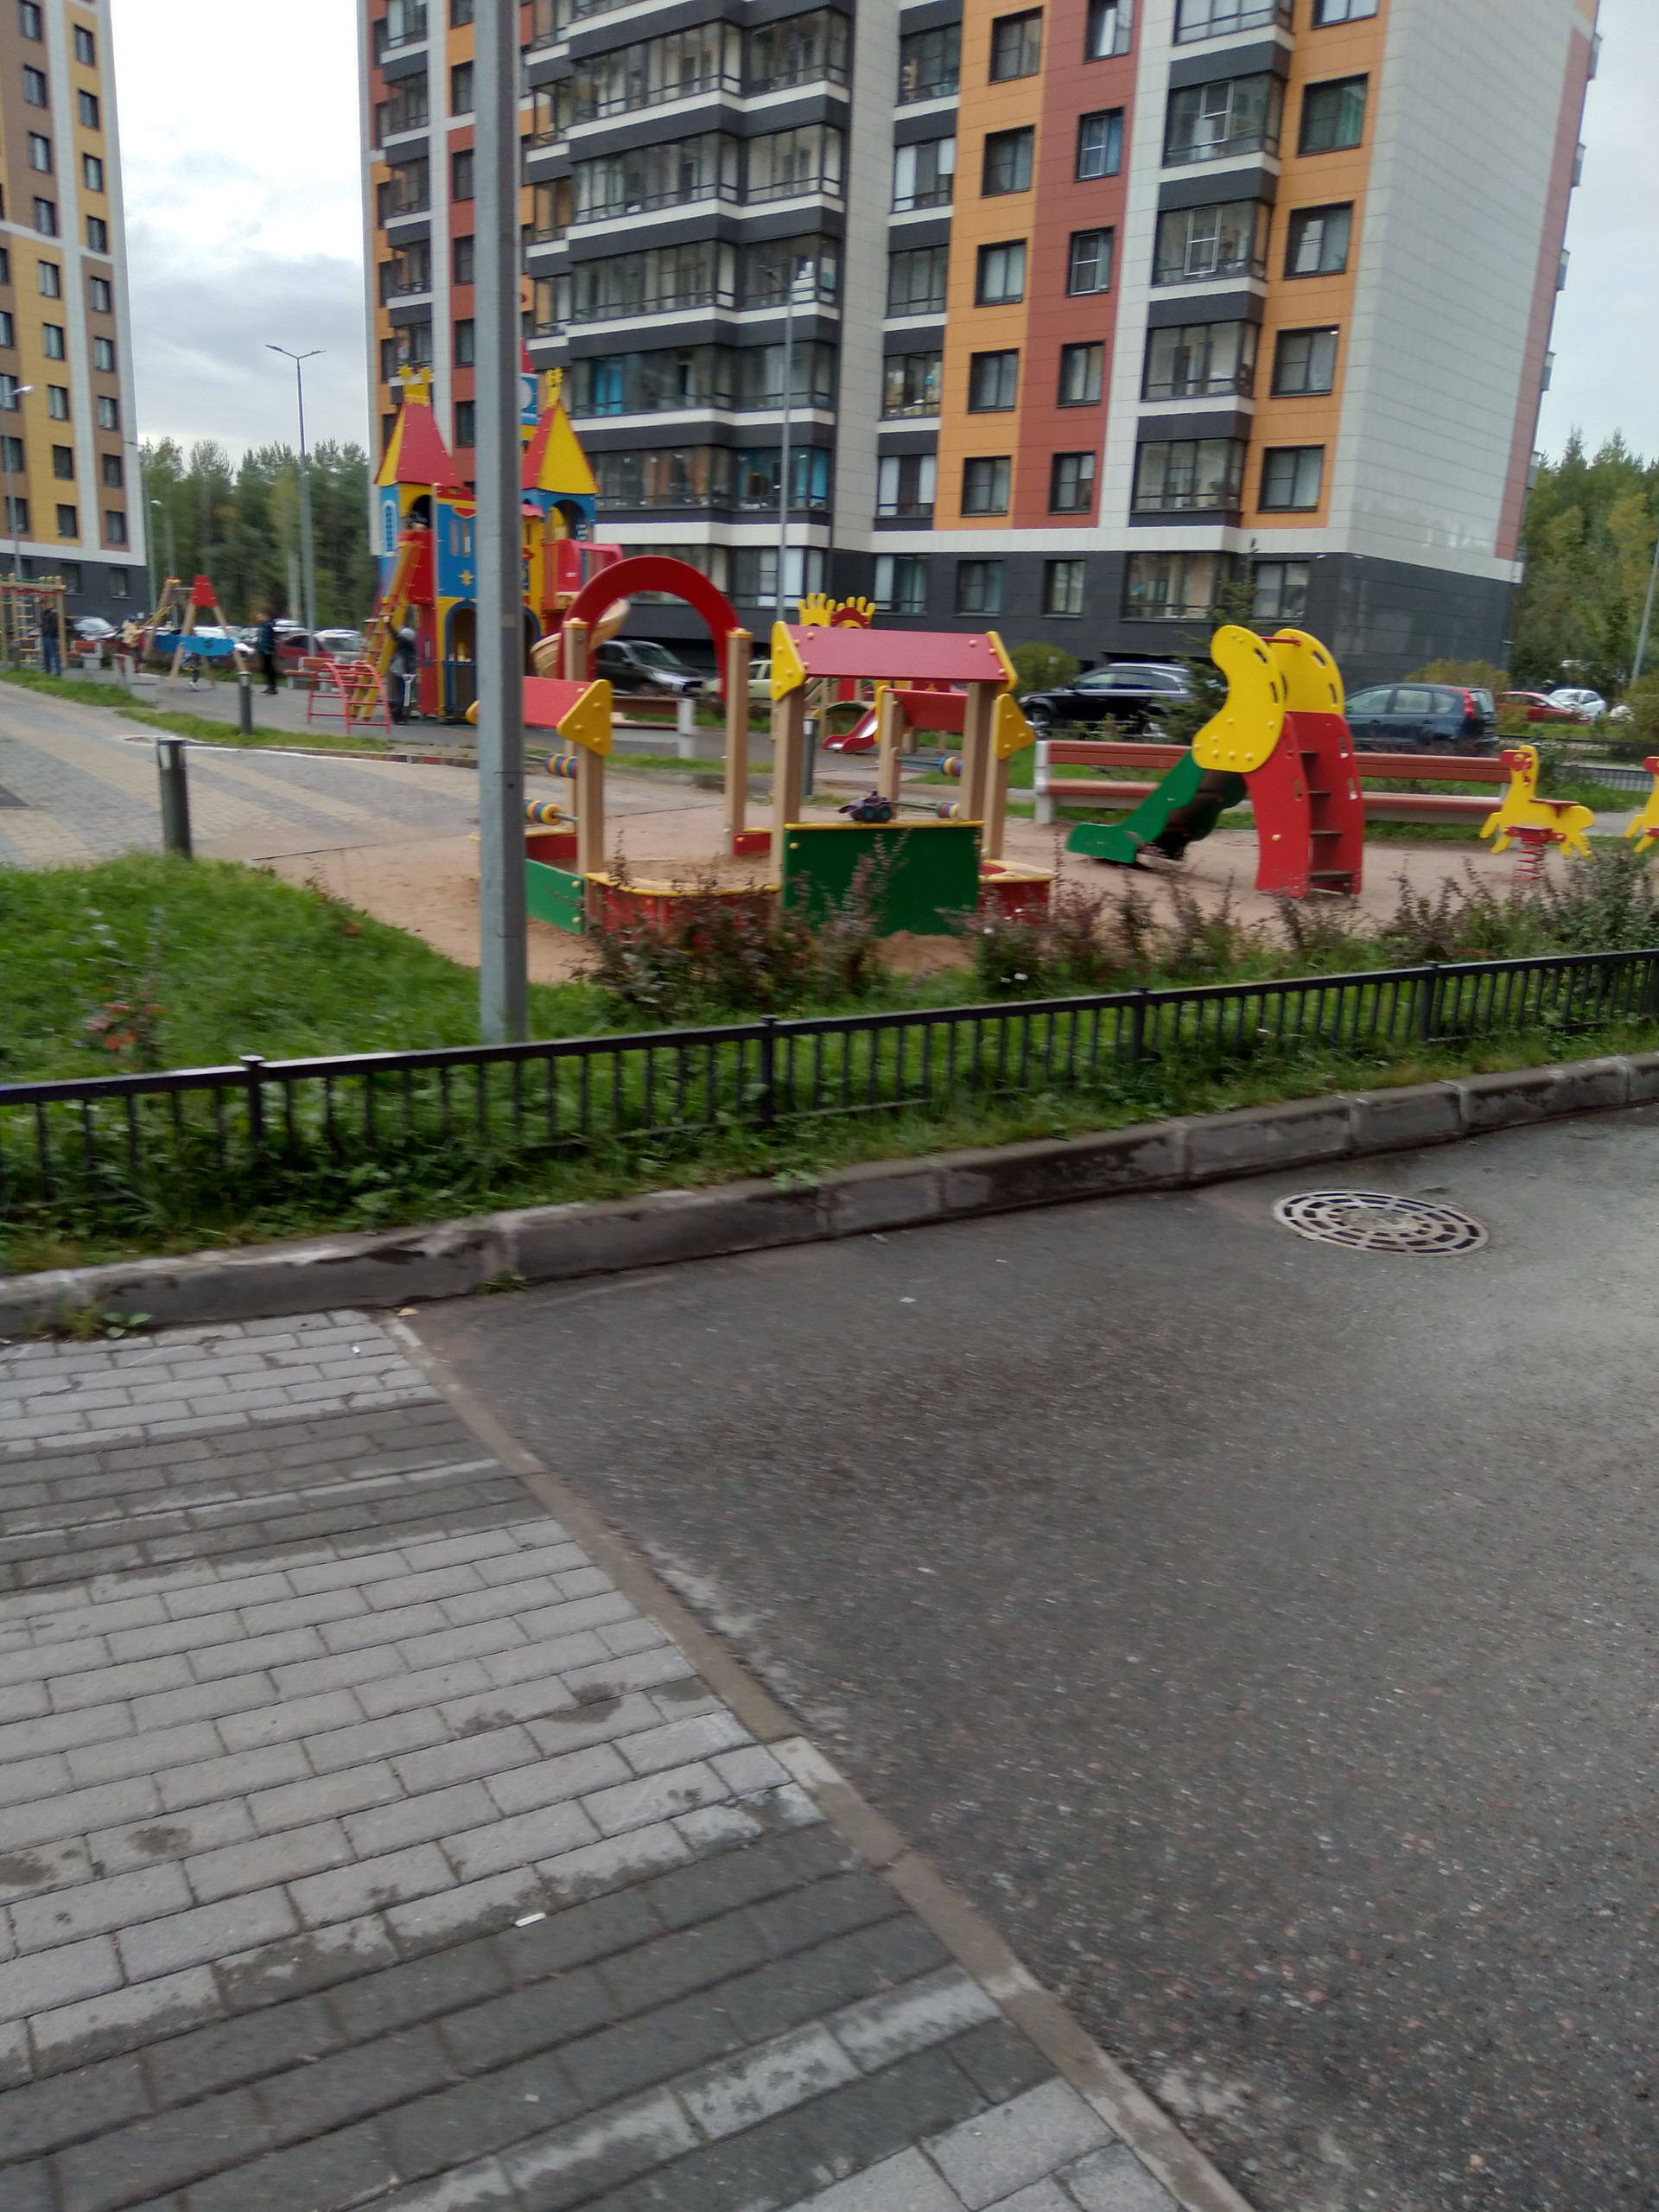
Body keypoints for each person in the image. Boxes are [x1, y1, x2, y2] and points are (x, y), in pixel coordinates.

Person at [389, 624, 419, 723]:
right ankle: (398, 713)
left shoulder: (402, 644)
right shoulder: (408, 645)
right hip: (404, 670)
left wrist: (388, 625)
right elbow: (396, 636)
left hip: (398, 669)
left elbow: (395, 636)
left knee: (402, 693)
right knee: (404, 693)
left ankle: (399, 713)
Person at [255, 610, 280, 696]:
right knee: (265, 668)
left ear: (266, 617)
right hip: (262, 649)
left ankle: (273, 686)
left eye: (260, 617)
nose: (258, 619)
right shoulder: (263, 627)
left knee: (269, 669)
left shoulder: (269, 627)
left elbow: (273, 638)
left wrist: (270, 649)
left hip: (268, 650)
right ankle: (269, 686)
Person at [39, 600, 60, 677]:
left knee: (53, 654)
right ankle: (48, 670)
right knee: (46, 654)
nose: (43, 607)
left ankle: (57, 670)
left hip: (50, 636)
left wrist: (50, 633)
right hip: (45, 635)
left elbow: (54, 625)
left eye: (44, 605)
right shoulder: (43, 614)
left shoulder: (52, 614)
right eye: (42, 605)